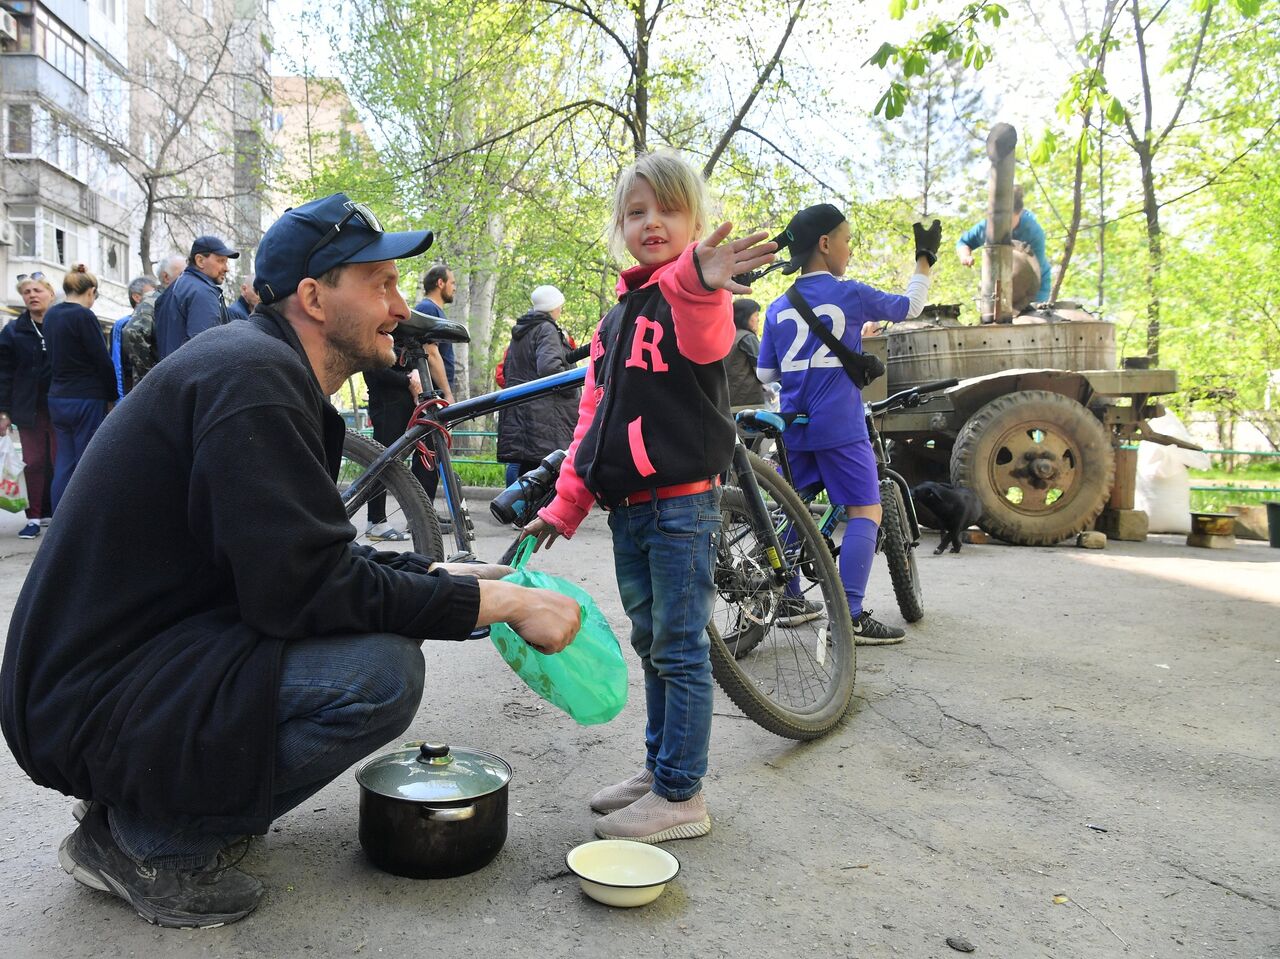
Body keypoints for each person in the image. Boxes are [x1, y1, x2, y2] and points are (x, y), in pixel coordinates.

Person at [0, 193, 580, 929]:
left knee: (368, 636)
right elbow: (301, 591)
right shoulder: (252, 380)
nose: (400, 306)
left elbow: (294, 558)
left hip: (114, 674)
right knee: (378, 676)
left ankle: (142, 795)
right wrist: (503, 604)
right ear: (313, 296)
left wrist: (439, 575)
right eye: (379, 283)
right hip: (87, 697)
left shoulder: (261, 368)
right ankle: (147, 840)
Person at [523, 151, 775, 843]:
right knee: (651, 641)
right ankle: (661, 767)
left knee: (680, 645)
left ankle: (681, 794)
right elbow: (592, 419)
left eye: (667, 209)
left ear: (695, 221)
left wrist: (700, 282)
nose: (651, 222)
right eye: (636, 212)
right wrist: (566, 502)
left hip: (679, 504)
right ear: (620, 227)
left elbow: (705, 333)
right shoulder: (616, 317)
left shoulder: (694, 298)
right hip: (630, 509)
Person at [757, 204, 937, 646]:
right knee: (866, 510)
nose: (850, 250)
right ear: (825, 244)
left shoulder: (777, 308)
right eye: (847, 240)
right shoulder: (851, 294)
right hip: (840, 424)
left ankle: (791, 598)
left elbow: (766, 376)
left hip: (793, 426)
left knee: (793, 509)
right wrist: (925, 258)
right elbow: (911, 306)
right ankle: (850, 615)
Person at [43, 265, 117, 512]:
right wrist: (112, 395)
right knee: (87, 460)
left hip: (58, 396)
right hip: (86, 396)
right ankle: (81, 519)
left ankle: (58, 519)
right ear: (91, 291)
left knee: (64, 459)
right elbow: (101, 359)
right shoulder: (84, 316)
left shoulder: (51, 315)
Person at [496, 284, 580, 486]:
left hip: (524, 412)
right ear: (552, 306)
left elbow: (508, 370)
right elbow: (550, 369)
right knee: (546, 475)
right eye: (559, 305)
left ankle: (520, 515)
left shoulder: (522, 332)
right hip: (544, 417)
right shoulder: (546, 329)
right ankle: (541, 517)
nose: (560, 309)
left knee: (527, 472)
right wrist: (572, 389)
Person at [0, 273, 58, 538]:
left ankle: (58, 514)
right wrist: (3, 411)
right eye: (27, 292)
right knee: (33, 462)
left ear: (51, 293)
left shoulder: (61, 323)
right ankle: (34, 517)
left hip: (60, 406)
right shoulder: (13, 330)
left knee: (60, 461)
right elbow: (3, 373)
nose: (32, 295)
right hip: (28, 408)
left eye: (37, 290)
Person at [955, 184, 1052, 304]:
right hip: (996, 287)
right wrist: (965, 256)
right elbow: (963, 243)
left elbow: (1035, 273)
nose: (1003, 224)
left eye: (1009, 219)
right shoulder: (987, 227)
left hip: (1035, 287)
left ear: (1020, 212)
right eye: (999, 219)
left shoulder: (1033, 232)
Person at [154, 235, 239, 359]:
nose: (226, 268)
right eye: (221, 261)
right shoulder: (203, 293)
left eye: (226, 262)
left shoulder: (175, 288)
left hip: (171, 374)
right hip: (192, 376)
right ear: (200, 260)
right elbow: (206, 351)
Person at [122, 253, 185, 384]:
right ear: (166, 277)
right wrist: (152, 374)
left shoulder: (177, 299)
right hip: (153, 389)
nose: (188, 280)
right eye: (183, 274)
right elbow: (133, 332)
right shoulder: (154, 299)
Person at [413, 264, 457, 403]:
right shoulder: (428, 309)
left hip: (436, 393)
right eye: (452, 283)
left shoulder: (434, 310)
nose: (454, 288)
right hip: (432, 395)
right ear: (440, 283)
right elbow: (430, 353)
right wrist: (447, 393)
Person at [110, 276, 158, 398]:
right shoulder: (123, 325)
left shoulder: (154, 322)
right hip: (131, 392)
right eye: (151, 292)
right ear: (137, 297)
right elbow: (117, 363)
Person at [725, 297, 766, 411]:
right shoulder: (747, 337)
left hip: (727, 401)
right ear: (746, 316)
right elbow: (762, 372)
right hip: (749, 402)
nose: (758, 319)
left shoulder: (727, 336)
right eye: (756, 315)